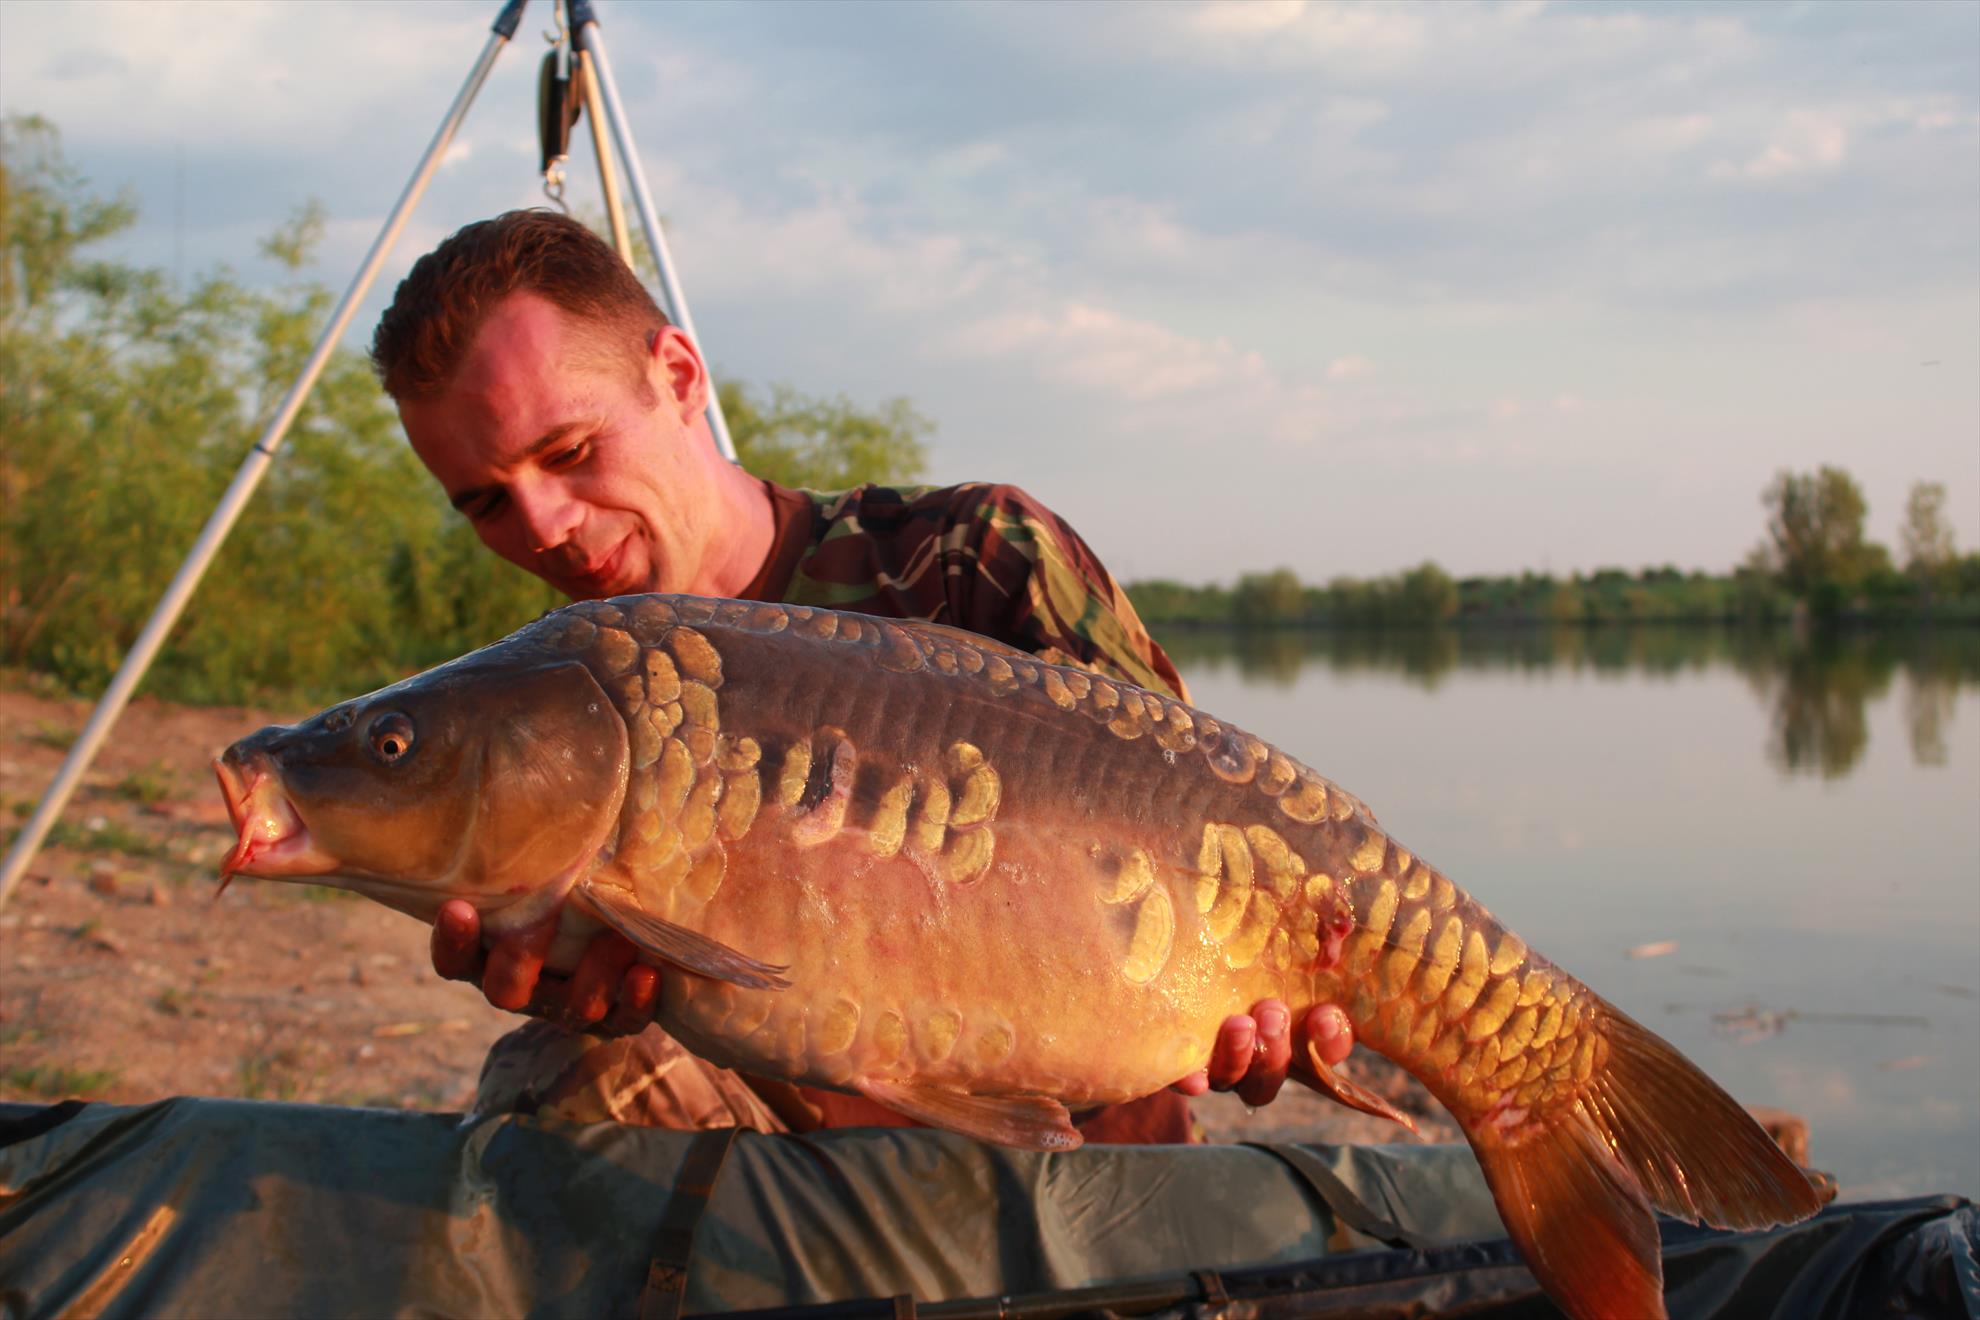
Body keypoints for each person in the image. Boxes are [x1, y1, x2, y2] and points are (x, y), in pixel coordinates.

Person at [368, 209, 1355, 1141]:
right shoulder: (562, 701)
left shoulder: (968, 554)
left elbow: (1204, 822)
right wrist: (569, 978)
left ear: (676, 375)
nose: (543, 525)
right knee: (556, 1091)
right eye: (486, 504)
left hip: (1078, 1156)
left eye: (570, 451)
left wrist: (1273, 996)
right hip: (800, 1167)